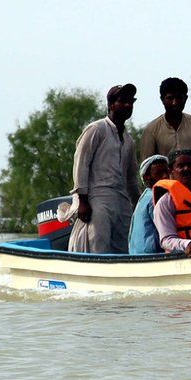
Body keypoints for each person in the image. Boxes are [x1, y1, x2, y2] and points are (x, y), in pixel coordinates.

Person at [68, 83, 141, 254]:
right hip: (97, 195)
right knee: (98, 241)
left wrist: (138, 203)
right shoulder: (97, 129)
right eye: (123, 101)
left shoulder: (128, 139)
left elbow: (131, 177)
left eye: (131, 102)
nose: (128, 105)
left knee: (124, 243)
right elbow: (81, 162)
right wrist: (83, 200)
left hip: (121, 197)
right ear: (110, 105)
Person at [140, 77, 191, 188]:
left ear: (185, 99)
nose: (174, 103)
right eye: (170, 98)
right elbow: (146, 170)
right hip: (169, 192)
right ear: (162, 99)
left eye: (179, 98)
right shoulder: (151, 130)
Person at [128, 154, 170, 255]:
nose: (165, 176)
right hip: (150, 254)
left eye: (166, 172)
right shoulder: (155, 197)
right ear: (147, 177)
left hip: (136, 253)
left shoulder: (146, 194)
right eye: (159, 173)